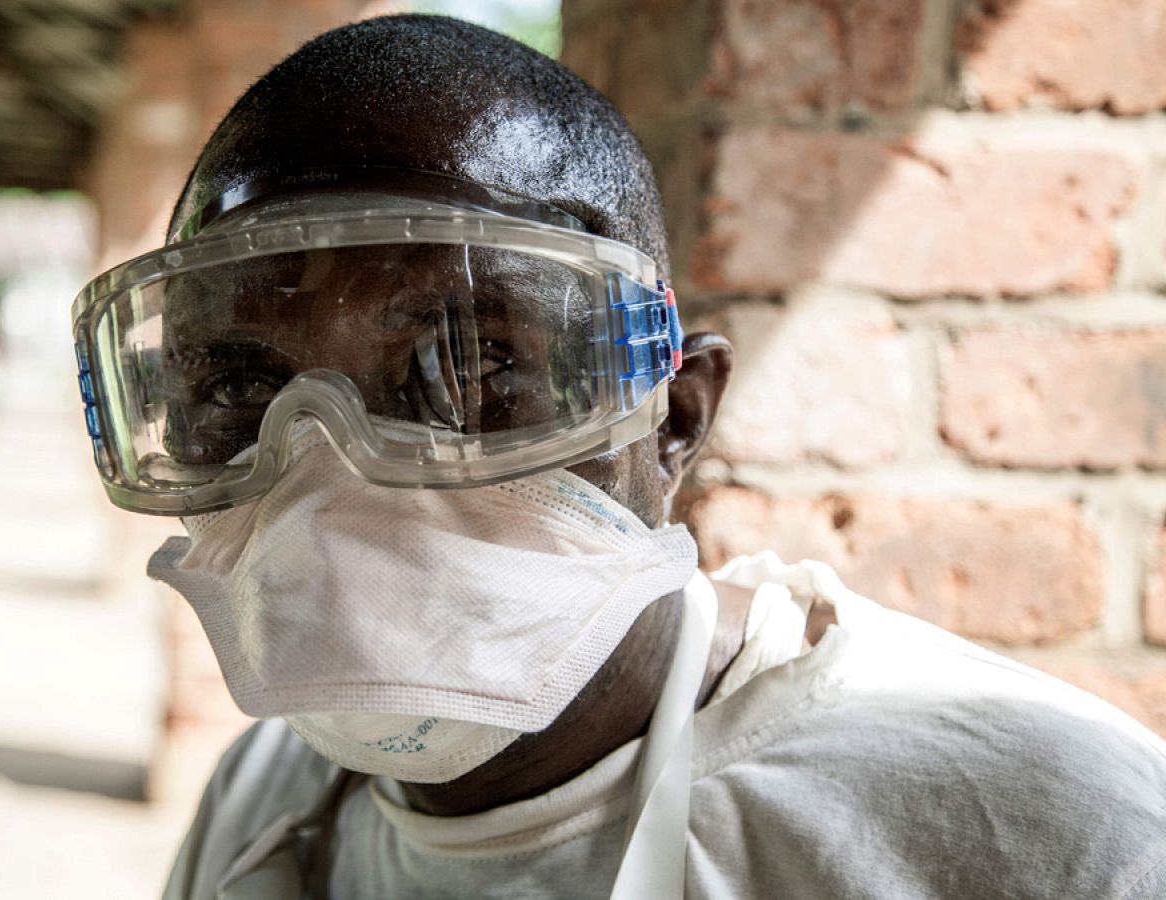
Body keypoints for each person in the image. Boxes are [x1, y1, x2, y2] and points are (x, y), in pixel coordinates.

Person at [70, 15, 1166, 899]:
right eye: (239, 388)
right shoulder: (267, 805)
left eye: (472, 364)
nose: (332, 479)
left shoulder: (1038, 833)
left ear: (675, 419)